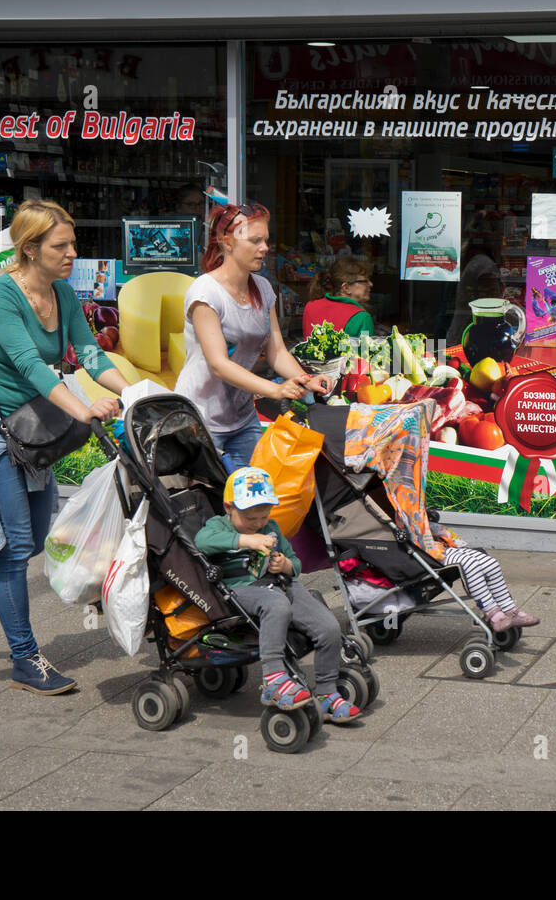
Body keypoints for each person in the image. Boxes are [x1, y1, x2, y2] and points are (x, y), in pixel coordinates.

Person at [0, 199, 133, 694]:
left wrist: (135, 392)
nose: (72, 253)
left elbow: (92, 353)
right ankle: (24, 659)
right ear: (30, 248)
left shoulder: (61, 292)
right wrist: (84, 409)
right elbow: (29, 365)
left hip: (32, 427)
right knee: (16, 547)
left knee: (31, 541)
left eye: (73, 243)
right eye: (61, 245)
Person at [175, 201, 332, 472]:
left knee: (258, 499)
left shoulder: (261, 287)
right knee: (218, 505)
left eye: (266, 240)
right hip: (201, 420)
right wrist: (275, 389)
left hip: (242, 418)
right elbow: (219, 364)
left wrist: (305, 381)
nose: (265, 248)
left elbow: (277, 351)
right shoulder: (205, 293)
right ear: (227, 242)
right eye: (255, 240)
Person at [195, 467, 359, 722]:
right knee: (277, 604)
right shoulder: (218, 526)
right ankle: (273, 677)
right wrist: (245, 540)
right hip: (240, 590)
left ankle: (327, 691)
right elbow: (202, 541)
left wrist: (286, 565)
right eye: (251, 518)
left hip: (279, 584)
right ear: (229, 507)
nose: (259, 523)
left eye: (263, 516)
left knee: (328, 627)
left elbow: (295, 563)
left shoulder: (270, 527)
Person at [302, 257, 375, 339]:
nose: (371, 284)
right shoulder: (362, 317)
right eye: (365, 281)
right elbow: (364, 351)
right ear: (346, 287)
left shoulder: (311, 306)